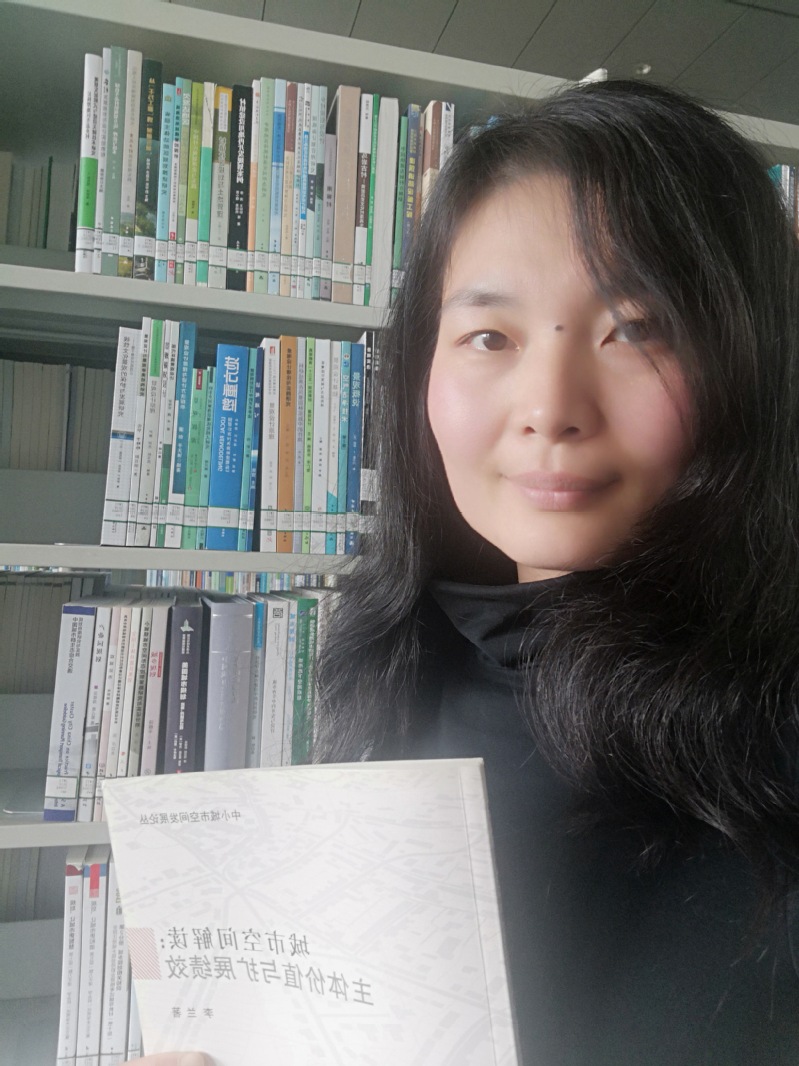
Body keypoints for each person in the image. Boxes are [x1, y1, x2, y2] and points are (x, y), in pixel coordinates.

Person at [130, 78, 799, 1066]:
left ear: (751, 365)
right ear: (422, 376)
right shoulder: (399, 669)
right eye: (490, 336)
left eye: (636, 329)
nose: (549, 405)